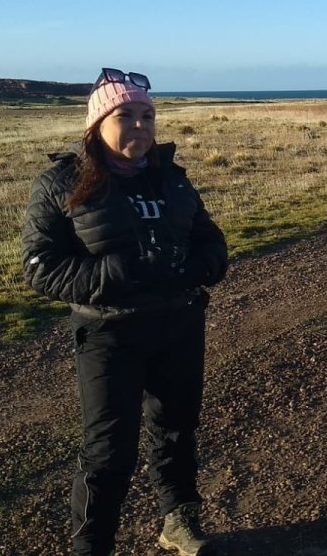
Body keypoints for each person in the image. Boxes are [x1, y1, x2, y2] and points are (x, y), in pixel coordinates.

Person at [21, 68, 228, 556]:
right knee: (108, 451)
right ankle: (91, 546)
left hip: (179, 324)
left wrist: (195, 269)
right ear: (97, 125)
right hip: (108, 333)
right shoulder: (61, 183)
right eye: (126, 115)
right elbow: (40, 266)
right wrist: (114, 274)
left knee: (177, 430)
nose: (140, 126)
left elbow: (211, 239)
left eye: (147, 116)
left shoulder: (171, 180)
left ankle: (178, 522)